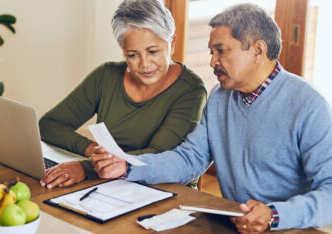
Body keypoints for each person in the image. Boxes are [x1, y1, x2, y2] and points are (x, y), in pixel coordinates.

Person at [91, 3, 332, 233]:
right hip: (235, 224)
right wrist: (128, 166)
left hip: (293, 228)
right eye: (211, 52)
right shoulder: (220, 97)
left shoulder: (309, 105)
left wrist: (274, 214)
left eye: (221, 51)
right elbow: (190, 158)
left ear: (258, 50)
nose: (212, 62)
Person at [39, 0, 207, 190]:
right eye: (132, 55)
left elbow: (159, 155)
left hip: (165, 191)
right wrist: (93, 151)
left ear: (172, 43)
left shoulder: (191, 90)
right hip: (109, 185)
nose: (144, 64)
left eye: (153, 51)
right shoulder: (106, 76)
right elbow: (48, 125)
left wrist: (86, 168)